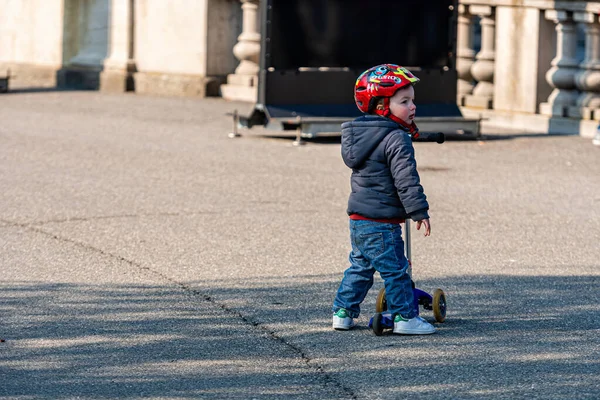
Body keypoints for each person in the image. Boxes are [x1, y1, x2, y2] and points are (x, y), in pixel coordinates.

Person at [331, 64, 436, 335]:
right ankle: (404, 318)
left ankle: (342, 312)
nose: (413, 107)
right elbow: (406, 179)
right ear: (381, 106)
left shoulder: (359, 136)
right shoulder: (396, 138)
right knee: (397, 271)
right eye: (404, 101)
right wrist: (418, 210)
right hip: (382, 221)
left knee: (361, 267)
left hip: (358, 219)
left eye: (413, 100)